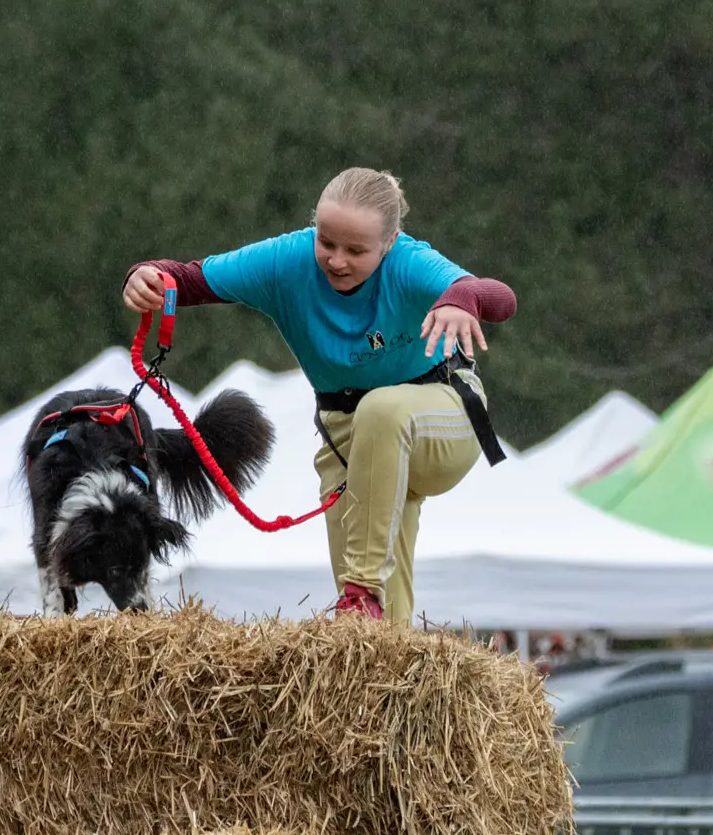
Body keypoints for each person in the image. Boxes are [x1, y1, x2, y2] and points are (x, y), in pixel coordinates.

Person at [122, 167, 516, 626]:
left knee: (383, 412)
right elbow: (187, 280)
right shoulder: (287, 261)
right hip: (348, 438)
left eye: (356, 250)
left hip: (442, 417)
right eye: (326, 242)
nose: (336, 260)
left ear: (389, 243)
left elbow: (499, 297)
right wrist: (145, 276)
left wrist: (460, 299)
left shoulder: (408, 262)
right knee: (380, 635)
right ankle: (378, 639)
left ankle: (361, 590)